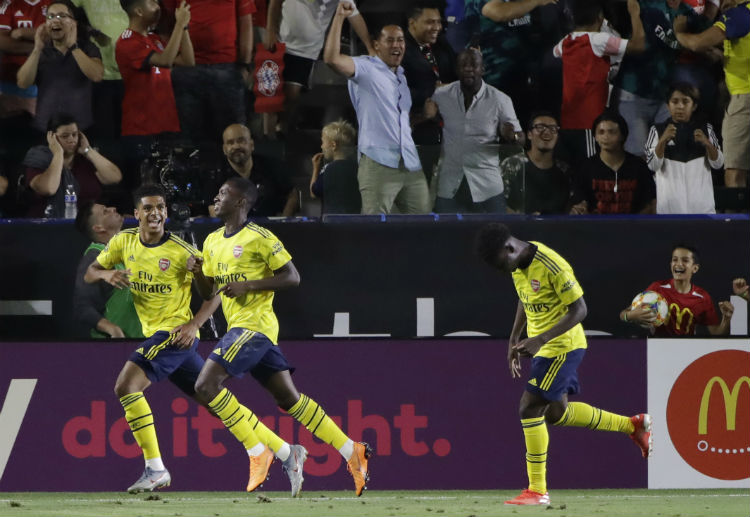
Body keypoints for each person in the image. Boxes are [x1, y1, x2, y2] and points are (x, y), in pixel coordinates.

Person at [83, 183, 306, 495]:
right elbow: (91, 271)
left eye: (160, 207)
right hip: (163, 339)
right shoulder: (123, 241)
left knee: (126, 386)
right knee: (215, 403)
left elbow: (212, 292)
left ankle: (155, 469)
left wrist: (194, 323)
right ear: (136, 214)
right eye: (147, 208)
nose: (155, 213)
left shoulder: (182, 252)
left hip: (174, 334)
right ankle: (286, 452)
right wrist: (107, 274)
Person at [190, 177, 372, 496]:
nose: (215, 198)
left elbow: (292, 276)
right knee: (289, 400)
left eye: (222, 194)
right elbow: (209, 291)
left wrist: (248, 285)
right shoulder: (212, 241)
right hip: (242, 330)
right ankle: (350, 450)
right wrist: (196, 273)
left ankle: (258, 450)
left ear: (241, 201)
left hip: (255, 327)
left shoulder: (259, 237)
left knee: (205, 385)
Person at [475, 222, 652, 506]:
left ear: (509, 247)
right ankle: (633, 426)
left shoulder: (552, 265)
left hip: (563, 345)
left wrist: (540, 339)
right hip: (544, 347)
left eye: (502, 263)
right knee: (557, 413)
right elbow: (524, 298)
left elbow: (580, 309)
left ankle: (537, 490)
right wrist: (514, 339)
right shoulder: (517, 265)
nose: (505, 270)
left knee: (529, 407)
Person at [324, 2, 431, 215]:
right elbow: (331, 59)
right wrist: (339, 17)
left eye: (400, 40)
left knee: (423, 227)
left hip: (410, 163)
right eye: (389, 40)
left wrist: (422, 117)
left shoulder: (400, 76)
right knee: (374, 232)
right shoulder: (366, 68)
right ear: (377, 45)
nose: (396, 44)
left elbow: (397, 124)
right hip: (378, 163)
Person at [426, 48, 521, 213]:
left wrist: (512, 136)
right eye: (463, 65)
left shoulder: (500, 99)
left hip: (487, 186)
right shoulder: (441, 95)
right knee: (446, 236)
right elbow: (429, 117)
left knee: (494, 237)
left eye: (474, 65)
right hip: (450, 185)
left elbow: (521, 139)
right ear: (457, 69)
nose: (468, 68)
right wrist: (430, 115)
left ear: (482, 69)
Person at [263, 0, 374, 136]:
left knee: (292, 94)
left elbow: (354, 16)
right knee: (268, 95)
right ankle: (267, 138)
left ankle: (284, 132)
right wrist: (270, 31)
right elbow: (275, 2)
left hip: (305, 51)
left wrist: (370, 46)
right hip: (278, 41)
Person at [554, 0, 645, 164]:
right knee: (590, 168)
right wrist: (634, 14)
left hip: (568, 121)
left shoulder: (565, 42)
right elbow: (638, 45)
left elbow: (556, 52)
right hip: (589, 122)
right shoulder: (599, 40)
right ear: (599, 18)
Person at [116, 0, 194, 189]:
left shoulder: (155, 39)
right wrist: (179, 24)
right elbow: (166, 61)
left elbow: (188, 61)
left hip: (166, 126)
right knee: (143, 191)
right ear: (139, 11)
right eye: (152, 2)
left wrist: (183, 29)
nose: (158, 6)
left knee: (170, 188)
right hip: (141, 130)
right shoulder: (127, 41)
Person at [673, 1, 749, 189]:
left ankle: (735, 218)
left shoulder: (740, 14)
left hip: (745, 98)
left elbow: (697, 43)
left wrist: (679, 32)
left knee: (734, 170)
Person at [161, 0, 254, 145]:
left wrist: (245, 64)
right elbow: (166, 23)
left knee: (231, 137)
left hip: (227, 68)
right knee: (187, 140)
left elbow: (246, 22)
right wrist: (171, 59)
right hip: (186, 71)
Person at [611, 0, 695, 158]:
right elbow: (640, 46)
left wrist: (679, 34)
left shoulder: (670, 13)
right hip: (632, 95)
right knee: (638, 156)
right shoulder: (629, 13)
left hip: (662, 95)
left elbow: (679, 44)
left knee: (673, 151)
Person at [16, 0, 104, 133]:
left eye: (62, 16)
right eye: (50, 17)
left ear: (74, 23)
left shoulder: (87, 48)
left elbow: (97, 75)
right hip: (45, 128)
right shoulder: (41, 51)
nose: (55, 21)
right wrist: (37, 48)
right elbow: (23, 83)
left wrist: (73, 47)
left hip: (80, 130)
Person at [619, 243, 735, 336]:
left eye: (685, 260)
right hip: (657, 349)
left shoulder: (702, 297)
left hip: (687, 352)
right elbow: (624, 313)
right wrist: (630, 316)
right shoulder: (657, 288)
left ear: (695, 268)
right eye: (675, 260)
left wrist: (726, 318)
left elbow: (717, 333)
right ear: (671, 264)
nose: (679, 264)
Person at [21, 112, 122, 218]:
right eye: (65, 136)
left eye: (75, 134)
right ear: (51, 137)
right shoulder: (39, 157)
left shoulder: (85, 160)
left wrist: (88, 150)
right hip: (47, 225)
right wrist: (58, 153)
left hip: (87, 225)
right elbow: (49, 189)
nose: (71, 140)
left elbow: (115, 177)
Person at [645, 82, 723, 214]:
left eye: (685, 102)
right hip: (669, 211)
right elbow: (652, 166)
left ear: (694, 106)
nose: (680, 106)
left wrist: (707, 143)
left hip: (702, 210)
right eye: (675, 101)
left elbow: (718, 164)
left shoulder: (706, 129)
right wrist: (663, 141)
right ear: (668, 105)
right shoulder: (657, 130)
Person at [402, 2, 457, 184]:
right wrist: (432, 92)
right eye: (430, 22)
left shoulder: (441, 45)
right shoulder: (399, 49)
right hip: (415, 128)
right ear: (412, 23)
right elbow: (394, 88)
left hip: (445, 128)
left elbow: (454, 75)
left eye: (438, 22)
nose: (436, 28)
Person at [73, 201, 143, 338]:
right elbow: (82, 307)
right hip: (115, 347)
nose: (113, 208)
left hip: (141, 343)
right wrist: (113, 330)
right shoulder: (95, 257)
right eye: (105, 211)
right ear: (99, 228)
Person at [570, 110, 656, 214]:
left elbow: (650, 202)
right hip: (596, 228)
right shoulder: (585, 168)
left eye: (612, 132)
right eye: (601, 132)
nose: (606, 137)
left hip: (632, 227)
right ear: (595, 137)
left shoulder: (638, 166)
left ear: (622, 136)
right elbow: (579, 201)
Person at [205, 123, 299, 218]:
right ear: (224, 149)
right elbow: (214, 212)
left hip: (268, 228)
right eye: (230, 143)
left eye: (241, 141)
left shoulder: (271, 166)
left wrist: (283, 221)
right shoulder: (215, 175)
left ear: (252, 145)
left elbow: (292, 194)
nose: (236, 146)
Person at [502, 111, 573, 215]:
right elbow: (498, 203)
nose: (547, 132)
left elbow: (571, 206)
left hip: (557, 229)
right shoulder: (512, 164)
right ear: (529, 134)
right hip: (519, 229)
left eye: (553, 128)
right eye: (540, 127)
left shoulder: (565, 170)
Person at [310, 119, 360, 214]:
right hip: (354, 220)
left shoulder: (328, 169)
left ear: (333, 145)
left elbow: (314, 193)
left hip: (332, 221)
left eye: (323, 142)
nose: (321, 146)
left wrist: (316, 168)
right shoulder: (358, 168)